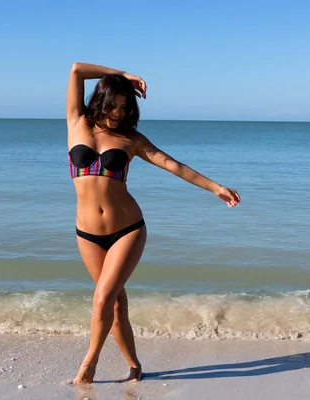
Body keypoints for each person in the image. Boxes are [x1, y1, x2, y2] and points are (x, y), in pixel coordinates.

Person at [66, 62, 241, 385]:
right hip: (87, 234)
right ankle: (134, 365)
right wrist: (125, 75)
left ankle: (88, 364)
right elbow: (76, 70)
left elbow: (173, 165)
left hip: (127, 230)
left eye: (124, 107)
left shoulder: (131, 139)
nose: (117, 113)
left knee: (103, 298)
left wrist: (216, 186)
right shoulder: (76, 123)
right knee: (115, 304)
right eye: (113, 105)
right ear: (100, 99)